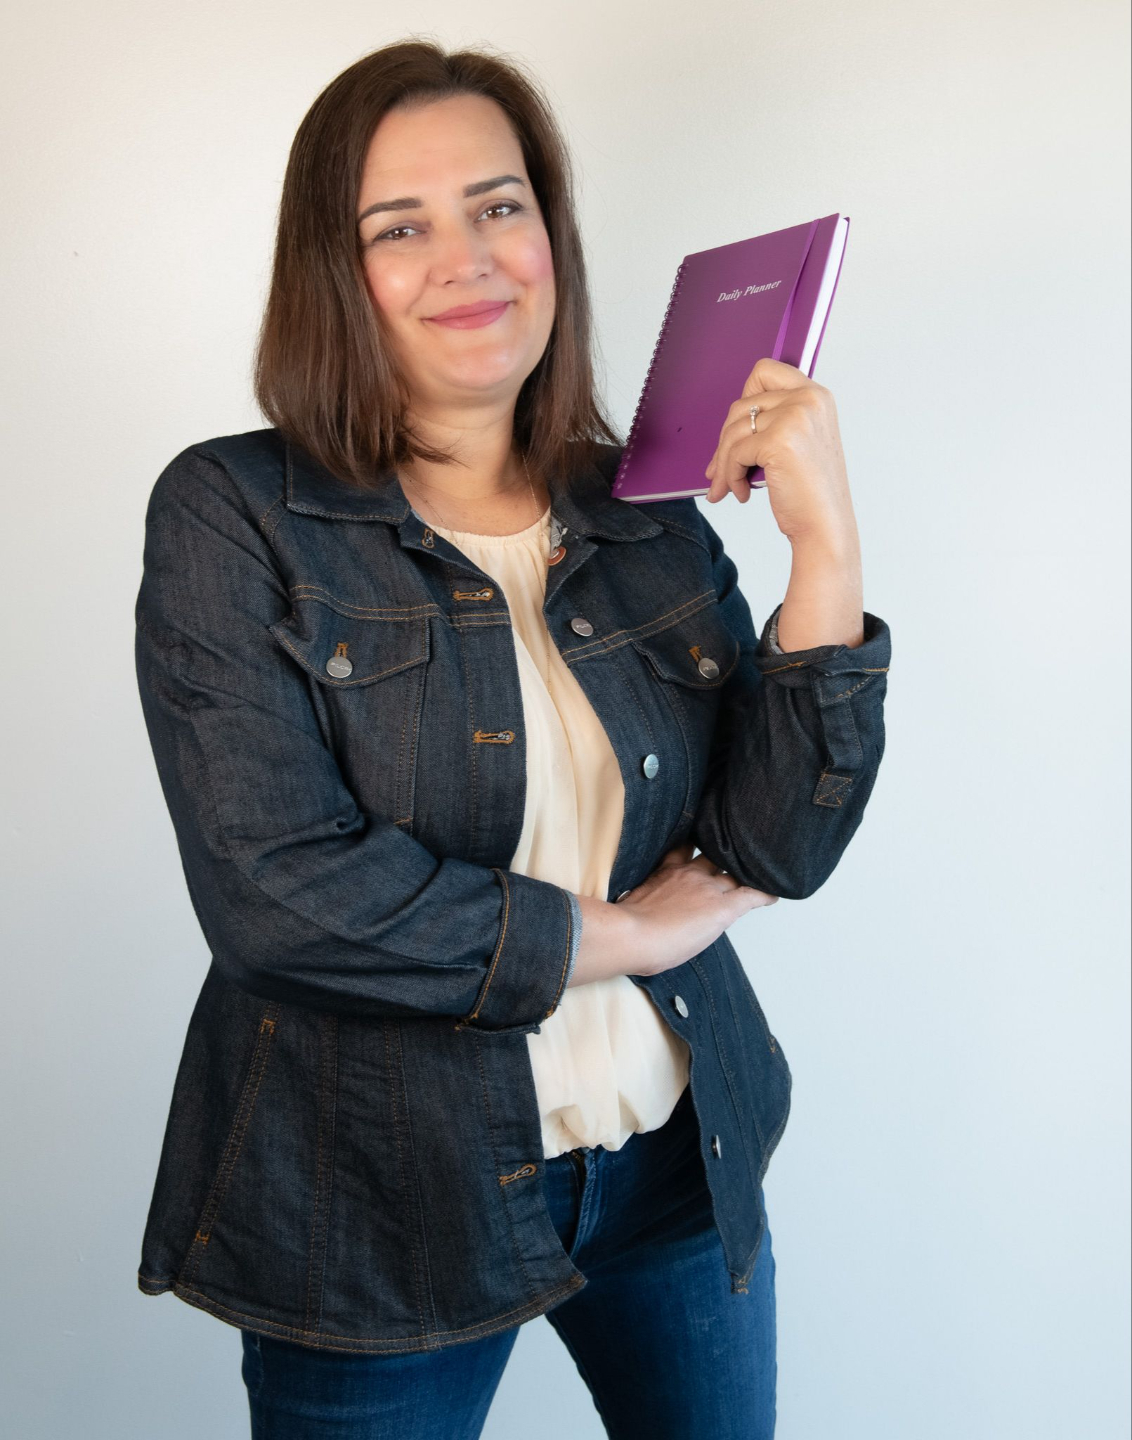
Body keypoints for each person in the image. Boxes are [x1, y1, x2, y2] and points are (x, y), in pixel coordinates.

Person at [133, 38, 891, 1440]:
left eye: (499, 205)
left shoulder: (639, 506)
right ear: (334, 272)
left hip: (676, 1159)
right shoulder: (232, 515)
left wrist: (824, 547)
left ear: (551, 233)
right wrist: (631, 934)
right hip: (381, 1205)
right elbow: (276, 896)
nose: (468, 259)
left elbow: (779, 840)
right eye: (399, 227)